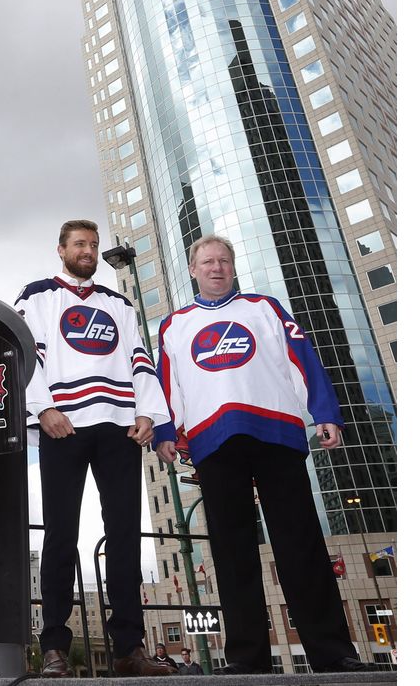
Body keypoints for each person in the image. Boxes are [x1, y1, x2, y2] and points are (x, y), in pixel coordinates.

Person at [154, 234, 378, 675]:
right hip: (213, 440)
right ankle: (245, 657)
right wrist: (167, 431)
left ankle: (331, 651)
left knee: (302, 543)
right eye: (207, 262)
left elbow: (303, 358)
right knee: (232, 550)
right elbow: (167, 383)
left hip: (275, 432)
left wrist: (323, 412)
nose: (216, 267)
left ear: (232, 268)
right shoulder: (175, 325)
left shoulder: (265, 308)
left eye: (223, 261)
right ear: (193, 270)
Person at [15, 220, 174, 678]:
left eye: (94, 245)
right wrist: (43, 408)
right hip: (64, 423)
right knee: (60, 533)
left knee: (125, 533)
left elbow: (140, 358)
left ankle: (129, 646)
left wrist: (146, 412)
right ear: (61, 248)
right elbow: (26, 353)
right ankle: (54, 647)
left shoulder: (117, 303)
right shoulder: (37, 295)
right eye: (79, 244)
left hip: (119, 425)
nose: (87, 251)